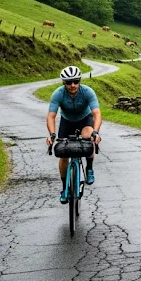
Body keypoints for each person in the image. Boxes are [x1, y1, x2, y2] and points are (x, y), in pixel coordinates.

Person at [45, 66, 102, 204]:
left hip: (85, 119)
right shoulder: (58, 94)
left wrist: (96, 132)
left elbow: (96, 113)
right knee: (64, 155)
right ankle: (65, 188)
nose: (72, 85)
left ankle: (89, 168)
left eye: (75, 81)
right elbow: (51, 116)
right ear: (64, 83)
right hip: (67, 121)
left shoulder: (88, 92)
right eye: (69, 82)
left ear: (79, 81)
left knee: (88, 136)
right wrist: (52, 135)